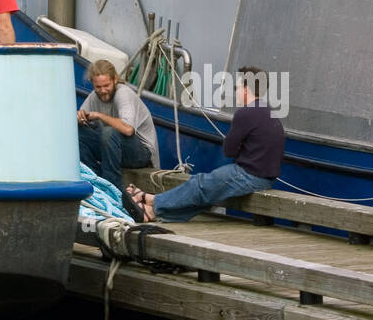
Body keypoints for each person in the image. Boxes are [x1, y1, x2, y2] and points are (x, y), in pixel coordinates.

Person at [126, 66, 285, 223]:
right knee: (207, 194)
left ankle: (152, 202)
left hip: (249, 176)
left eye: (236, 87)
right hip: (265, 178)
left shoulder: (246, 112)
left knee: (200, 184)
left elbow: (229, 150)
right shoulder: (268, 111)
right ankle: (153, 213)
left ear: (246, 89)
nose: (235, 91)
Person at [77, 60, 159, 190]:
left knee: (109, 132)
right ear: (92, 83)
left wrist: (99, 115)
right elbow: (82, 124)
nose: (103, 90)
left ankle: (112, 188)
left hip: (142, 154)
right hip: (114, 148)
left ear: (115, 79)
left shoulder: (123, 93)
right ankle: (95, 182)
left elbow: (128, 129)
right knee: (76, 133)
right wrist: (79, 118)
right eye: (98, 87)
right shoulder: (94, 96)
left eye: (106, 85)